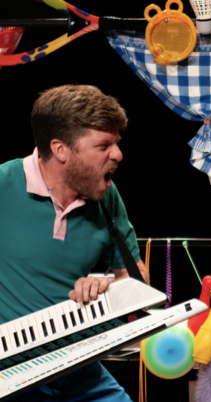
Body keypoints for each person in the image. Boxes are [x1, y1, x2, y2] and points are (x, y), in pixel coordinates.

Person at [0, 85, 149, 401]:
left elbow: (137, 279)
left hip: (79, 366)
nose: (118, 154)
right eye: (103, 145)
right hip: (11, 373)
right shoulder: (4, 184)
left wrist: (108, 288)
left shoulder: (107, 197)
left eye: (116, 143)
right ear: (60, 149)